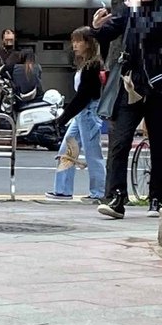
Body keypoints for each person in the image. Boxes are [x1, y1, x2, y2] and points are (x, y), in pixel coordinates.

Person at [91, 0, 162, 219]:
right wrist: (97, 28)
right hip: (131, 84)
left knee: (160, 144)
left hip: (160, 85)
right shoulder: (132, 6)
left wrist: (132, 15)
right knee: (120, 140)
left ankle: (158, 196)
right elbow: (108, 33)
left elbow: (155, 29)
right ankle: (116, 197)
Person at [45, 27, 106, 203]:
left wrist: (64, 117)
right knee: (67, 149)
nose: (74, 45)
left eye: (79, 41)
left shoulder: (93, 65)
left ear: (88, 43)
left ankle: (99, 192)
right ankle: (63, 190)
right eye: (74, 41)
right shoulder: (85, 64)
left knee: (92, 153)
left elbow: (83, 96)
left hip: (88, 112)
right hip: (82, 114)